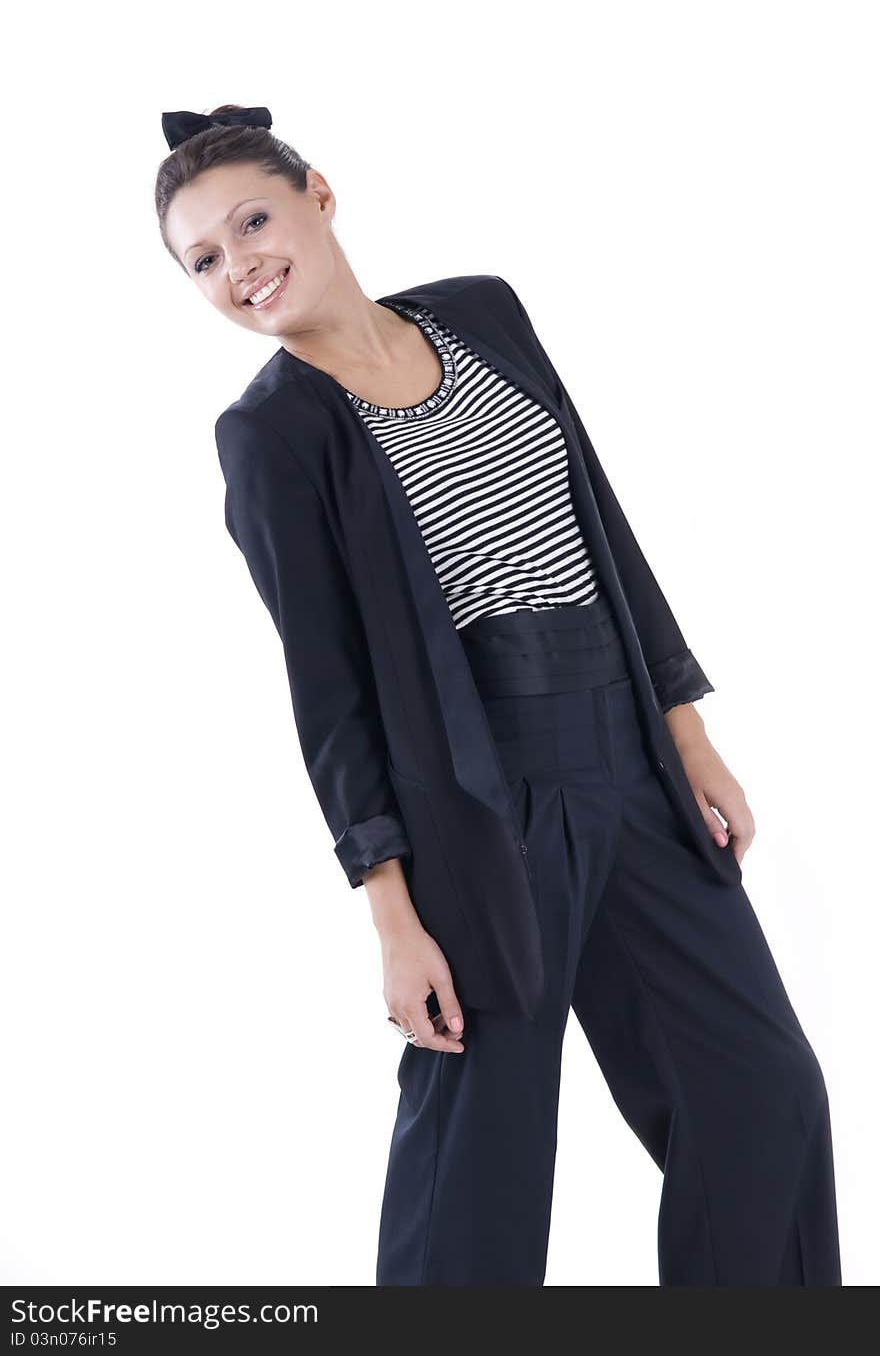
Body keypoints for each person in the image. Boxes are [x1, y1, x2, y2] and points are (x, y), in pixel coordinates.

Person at [155, 104, 842, 1286]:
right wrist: (391, 911)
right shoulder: (271, 433)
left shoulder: (482, 313)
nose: (237, 266)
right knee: (482, 1159)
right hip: (475, 798)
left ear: (321, 192)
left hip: (626, 753)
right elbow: (328, 695)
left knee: (760, 1094)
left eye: (251, 220)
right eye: (202, 260)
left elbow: (598, 523)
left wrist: (684, 730)